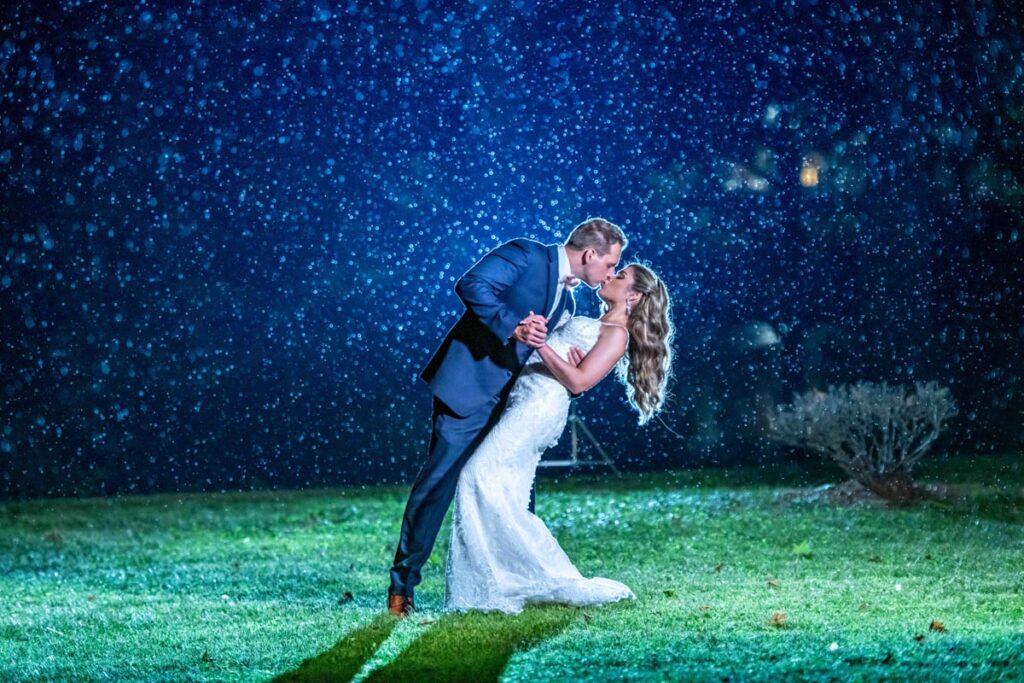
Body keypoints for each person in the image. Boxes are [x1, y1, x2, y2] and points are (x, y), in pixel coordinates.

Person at [387, 218, 628, 617]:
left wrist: (568, 365)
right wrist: (513, 325)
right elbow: (471, 285)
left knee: (514, 494)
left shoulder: (569, 303)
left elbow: (550, 355)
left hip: (517, 406)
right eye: (610, 264)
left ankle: (516, 582)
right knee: (438, 485)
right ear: (590, 254)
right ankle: (402, 587)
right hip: (469, 389)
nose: (610, 273)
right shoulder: (527, 253)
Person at [444, 262, 674, 614]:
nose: (610, 276)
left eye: (620, 276)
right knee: (504, 490)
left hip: (538, 409)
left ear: (634, 296)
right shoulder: (598, 323)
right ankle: (503, 580)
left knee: (476, 475)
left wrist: (542, 346)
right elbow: (571, 369)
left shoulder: (617, 334)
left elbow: (578, 381)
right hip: (524, 398)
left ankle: (524, 577)